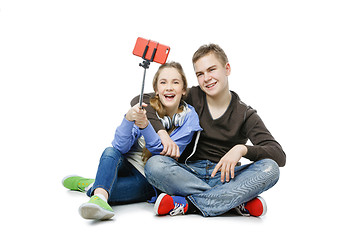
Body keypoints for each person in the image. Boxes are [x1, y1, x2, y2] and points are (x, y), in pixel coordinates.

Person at [133, 44, 286, 217]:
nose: (206, 78)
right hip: (187, 173)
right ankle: (233, 200)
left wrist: (242, 149)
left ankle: (189, 204)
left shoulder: (245, 114)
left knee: (271, 168)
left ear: (227, 69)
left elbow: (278, 155)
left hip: (227, 177)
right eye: (200, 74)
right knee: (155, 165)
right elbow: (140, 100)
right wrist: (161, 132)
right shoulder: (192, 96)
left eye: (212, 69)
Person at [62, 62, 202, 220]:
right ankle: (100, 199)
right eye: (163, 82)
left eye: (175, 82)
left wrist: (146, 127)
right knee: (110, 151)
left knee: (108, 190)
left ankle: (93, 185)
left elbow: (162, 155)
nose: (169, 87)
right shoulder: (148, 109)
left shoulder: (189, 119)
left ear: (183, 90)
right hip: (125, 162)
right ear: (156, 89)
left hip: (147, 178)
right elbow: (119, 146)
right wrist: (128, 120)